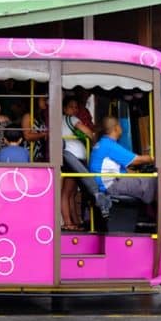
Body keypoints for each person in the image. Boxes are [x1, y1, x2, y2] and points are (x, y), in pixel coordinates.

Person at [89, 116, 156, 204]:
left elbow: (120, 169)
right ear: (116, 128)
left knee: (146, 178)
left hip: (107, 183)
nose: (121, 128)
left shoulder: (103, 143)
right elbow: (137, 160)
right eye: (120, 126)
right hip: (110, 185)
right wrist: (159, 157)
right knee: (152, 181)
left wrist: (138, 174)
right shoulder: (109, 145)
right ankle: (154, 211)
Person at [61, 96, 97, 231]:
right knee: (67, 192)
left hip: (71, 157)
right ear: (64, 108)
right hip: (73, 158)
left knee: (71, 192)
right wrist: (95, 141)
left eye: (76, 107)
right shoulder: (72, 119)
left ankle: (75, 221)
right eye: (71, 106)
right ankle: (68, 222)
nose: (74, 109)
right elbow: (88, 132)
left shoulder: (62, 121)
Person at [19, 97, 49, 162]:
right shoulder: (28, 116)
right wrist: (43, 134)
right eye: (43, 100)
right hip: (30, 151)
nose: (46, 102)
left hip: (39, 152)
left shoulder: (41, 116)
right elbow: (27, 136)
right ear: (36, 101)